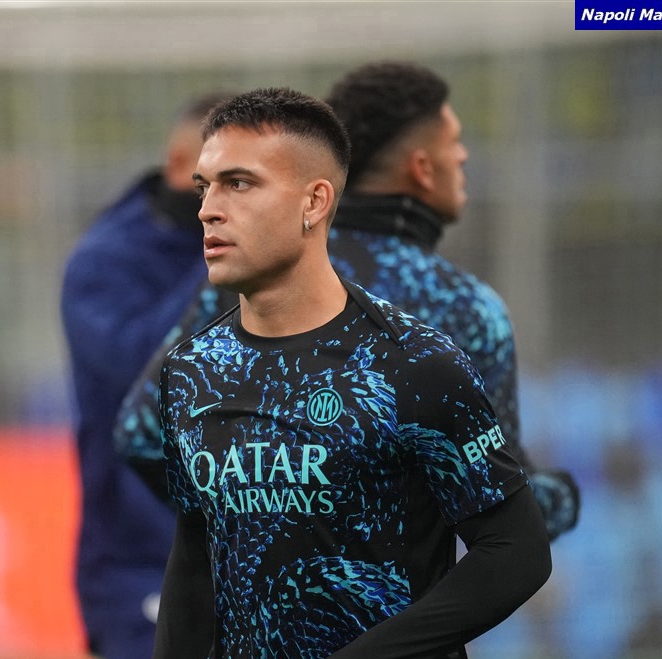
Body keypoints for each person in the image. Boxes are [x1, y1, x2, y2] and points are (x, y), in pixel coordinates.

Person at [154, 87, 551, 658]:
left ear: (315, 202)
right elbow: (194, 556)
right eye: (204, 186)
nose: (208, 209)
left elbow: (516, 551)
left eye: (238, 184)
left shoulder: (415, 363)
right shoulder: (191, 370)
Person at [116, 62, 579, 542]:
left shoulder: (258, 265)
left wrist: (248, 524)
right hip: (399, 590)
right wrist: (564, 498)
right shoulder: (463, 308)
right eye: (454, 142)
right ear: (421, 169)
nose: (463, 156)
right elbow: (506, 509)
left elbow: (142, 434)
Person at [59, 91, 231, 659]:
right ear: (182, 166)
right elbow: (146, 369)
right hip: (140, 561)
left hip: (247, 553)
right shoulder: (101, 262)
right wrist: (224, 267)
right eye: (228, 180)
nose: (239, 202)